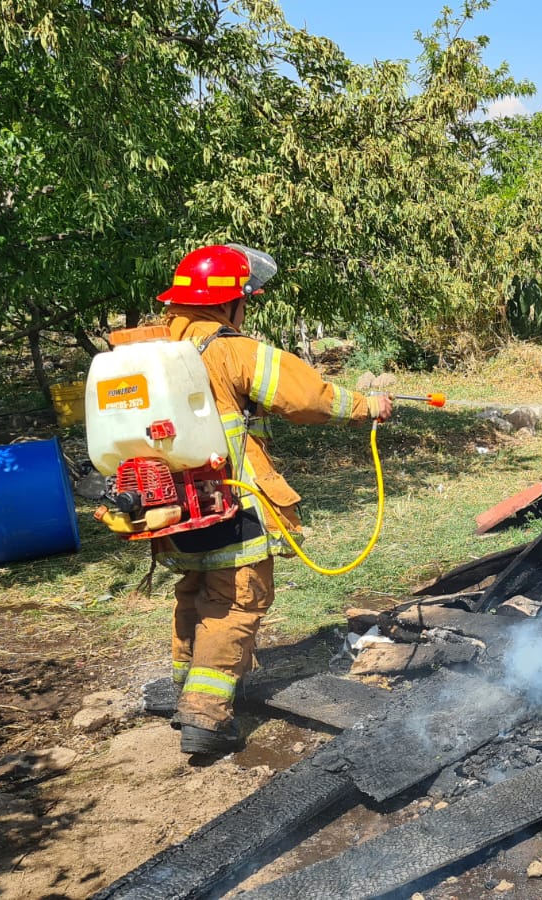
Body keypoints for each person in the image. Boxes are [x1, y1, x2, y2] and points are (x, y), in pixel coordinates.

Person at [148, 244, 391, 756]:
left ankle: (185, 689)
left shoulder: (152, 344)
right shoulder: (228, 347)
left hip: (166, 503)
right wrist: (367, 404)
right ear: (229, 302)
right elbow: (307, 398)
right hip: (230, 499)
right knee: (237, 596)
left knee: (194, 590)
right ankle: (205, 717)